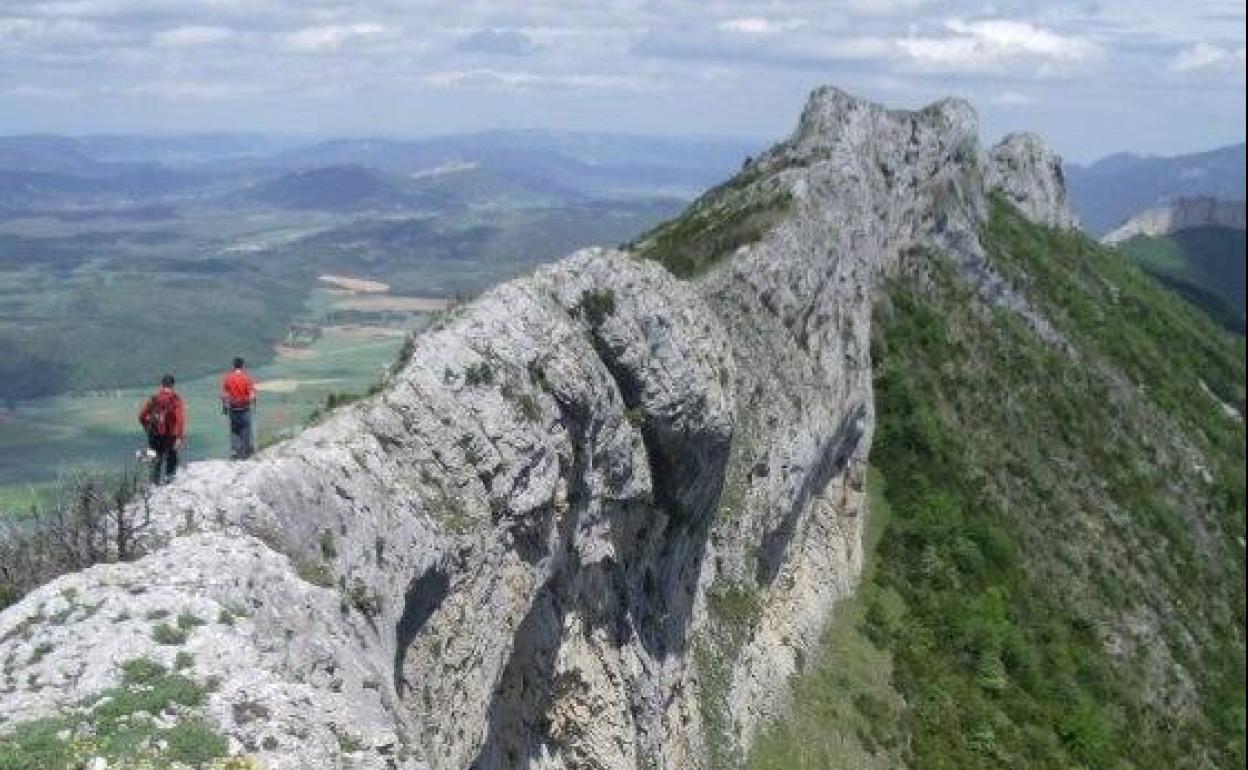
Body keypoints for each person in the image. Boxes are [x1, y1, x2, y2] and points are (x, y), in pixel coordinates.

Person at [138, 374, 186, 485]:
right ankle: (168, 479)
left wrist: (147, 428)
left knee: (154, 458)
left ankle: (153, 483)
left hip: (154, 434)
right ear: (173, 385)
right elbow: (180, 419)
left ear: (162, 384)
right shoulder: (175, 399)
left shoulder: (154, 398)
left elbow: (141, 416)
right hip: (170, 434)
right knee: (171, 456)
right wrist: (179, 437)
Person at [221, 357, 257, 460]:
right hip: (245, 408)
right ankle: (244, 454)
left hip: (233, 409)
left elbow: (225, 395)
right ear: (243, 365)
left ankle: (235, 452)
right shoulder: (247, 378)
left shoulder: (228, 378)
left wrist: (224, 408)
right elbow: (252, 395)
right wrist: (252, 403)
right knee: (245, 430)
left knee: (234, 430)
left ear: (233, 365)